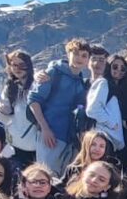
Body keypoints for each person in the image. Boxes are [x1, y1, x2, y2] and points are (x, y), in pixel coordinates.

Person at [29, 38, 89, 175]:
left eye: (84, 55)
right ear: (68, 54)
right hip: (50, 135)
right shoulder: (54, 73)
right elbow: (34, 100)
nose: (79, 58)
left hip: (69, 139)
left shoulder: (80, 83)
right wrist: (45, 128)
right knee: (46, 175)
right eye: (76, 53)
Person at [0, 50, 42, 167]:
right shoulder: (10, 87)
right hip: (15, 145)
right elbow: (7, 111)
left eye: (22, 65)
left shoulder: (36, 85)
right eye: (14, 65)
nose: (17, 68)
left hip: (36, 146)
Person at [85, 44, 126, 154]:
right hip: (101, 139)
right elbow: (92, 109)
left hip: (111, 142)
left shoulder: (115, 88)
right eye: (115, 66)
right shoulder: (103, 83)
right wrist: (112, 123)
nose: (119, 70)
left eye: (123, 68)